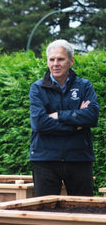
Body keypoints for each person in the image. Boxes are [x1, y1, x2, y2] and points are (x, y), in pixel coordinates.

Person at [29, 39, 99, 196]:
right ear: (47, 62)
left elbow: (92, 116)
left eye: (60, 59)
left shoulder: (84, 86)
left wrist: (58, 115)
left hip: (79, 158)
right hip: (45, 159)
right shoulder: (37, 88)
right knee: (46, 214)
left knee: (84, 211)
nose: (55, 64)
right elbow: (39, 123)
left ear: (71, 61)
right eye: (51, 59)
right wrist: (75, 124)